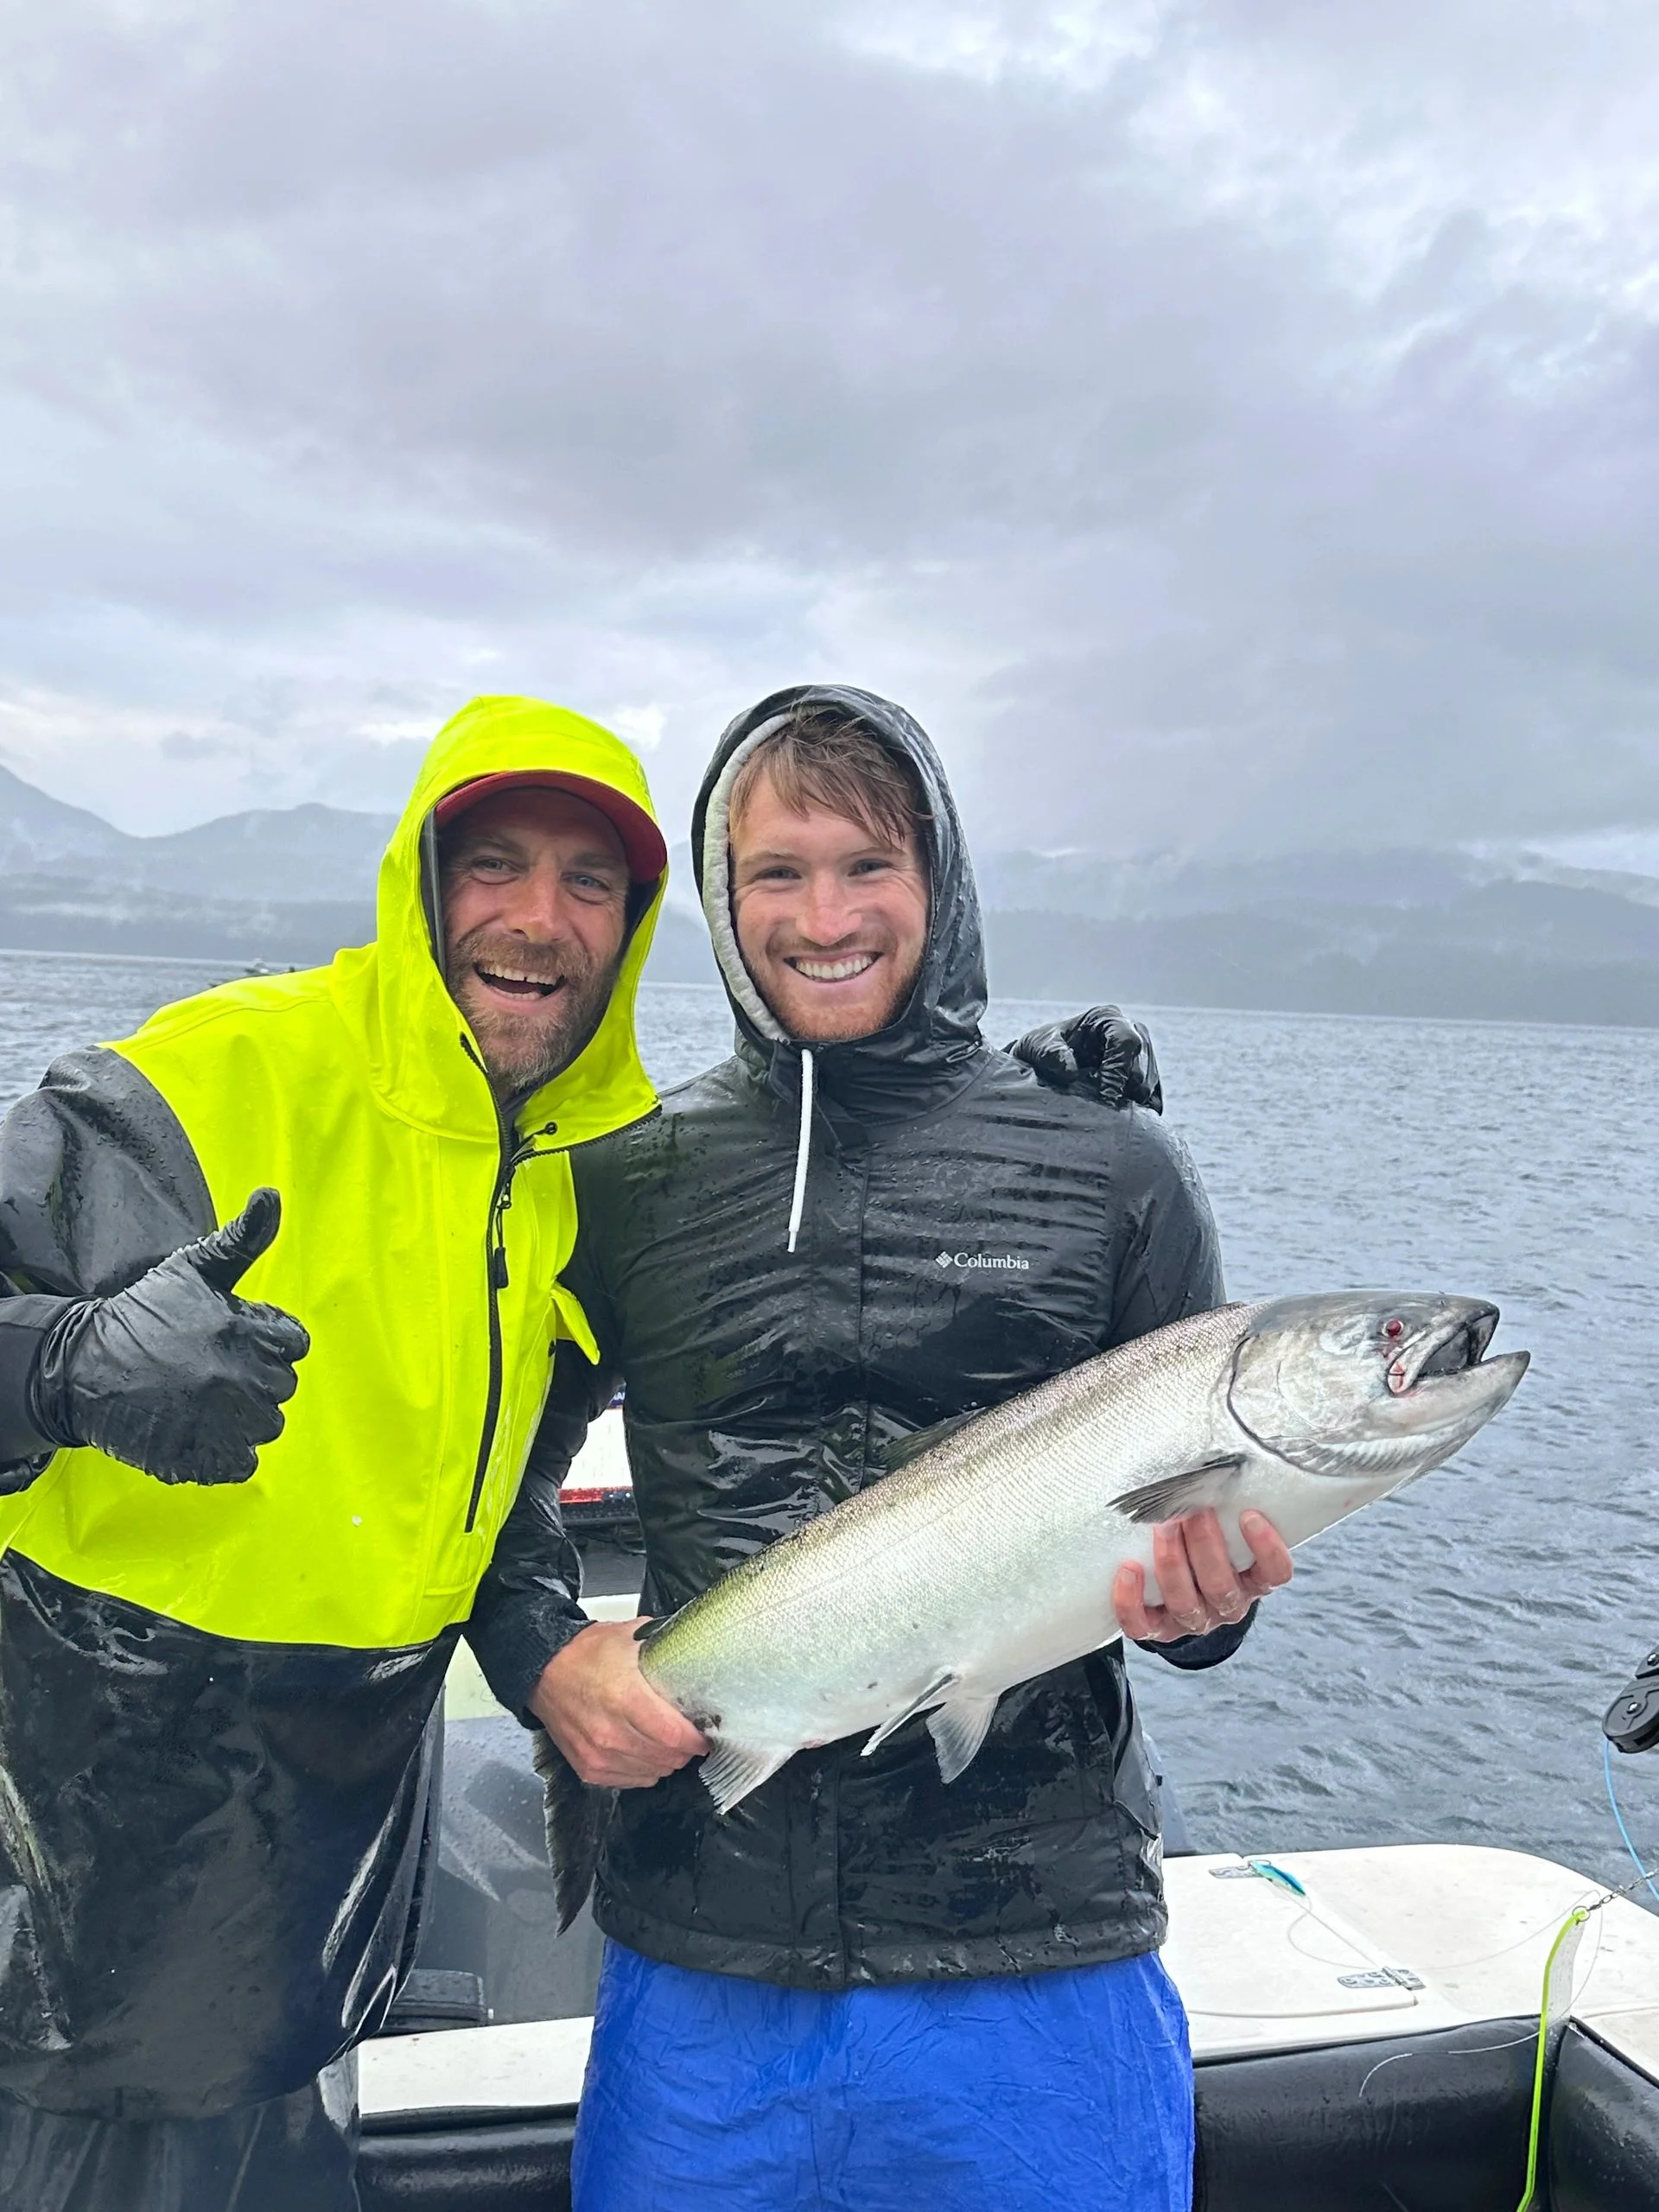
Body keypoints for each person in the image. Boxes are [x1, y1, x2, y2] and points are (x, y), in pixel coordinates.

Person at [468, 684, 1294, 2212]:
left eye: (869, 866)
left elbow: (1204, 1590)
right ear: (721, 902)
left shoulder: (1111, 1167)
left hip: (1035, 1952)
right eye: (777, 873)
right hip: (707, 1959)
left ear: (942, 886)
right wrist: (542, 1660)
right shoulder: (625, 1178)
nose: (824, 914)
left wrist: (1212, 1604)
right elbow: (488, 1485)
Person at [0, 695, 673, 2212]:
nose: (535, 917)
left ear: (633, 931)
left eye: (588, 883)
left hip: (310, 1948)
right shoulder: (206, 1084)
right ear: (420, 883)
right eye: (492, 863)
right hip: (65, 1941)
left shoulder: (570, 1179)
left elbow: (514, 1488)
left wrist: (990, 1116)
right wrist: (70, 1367)